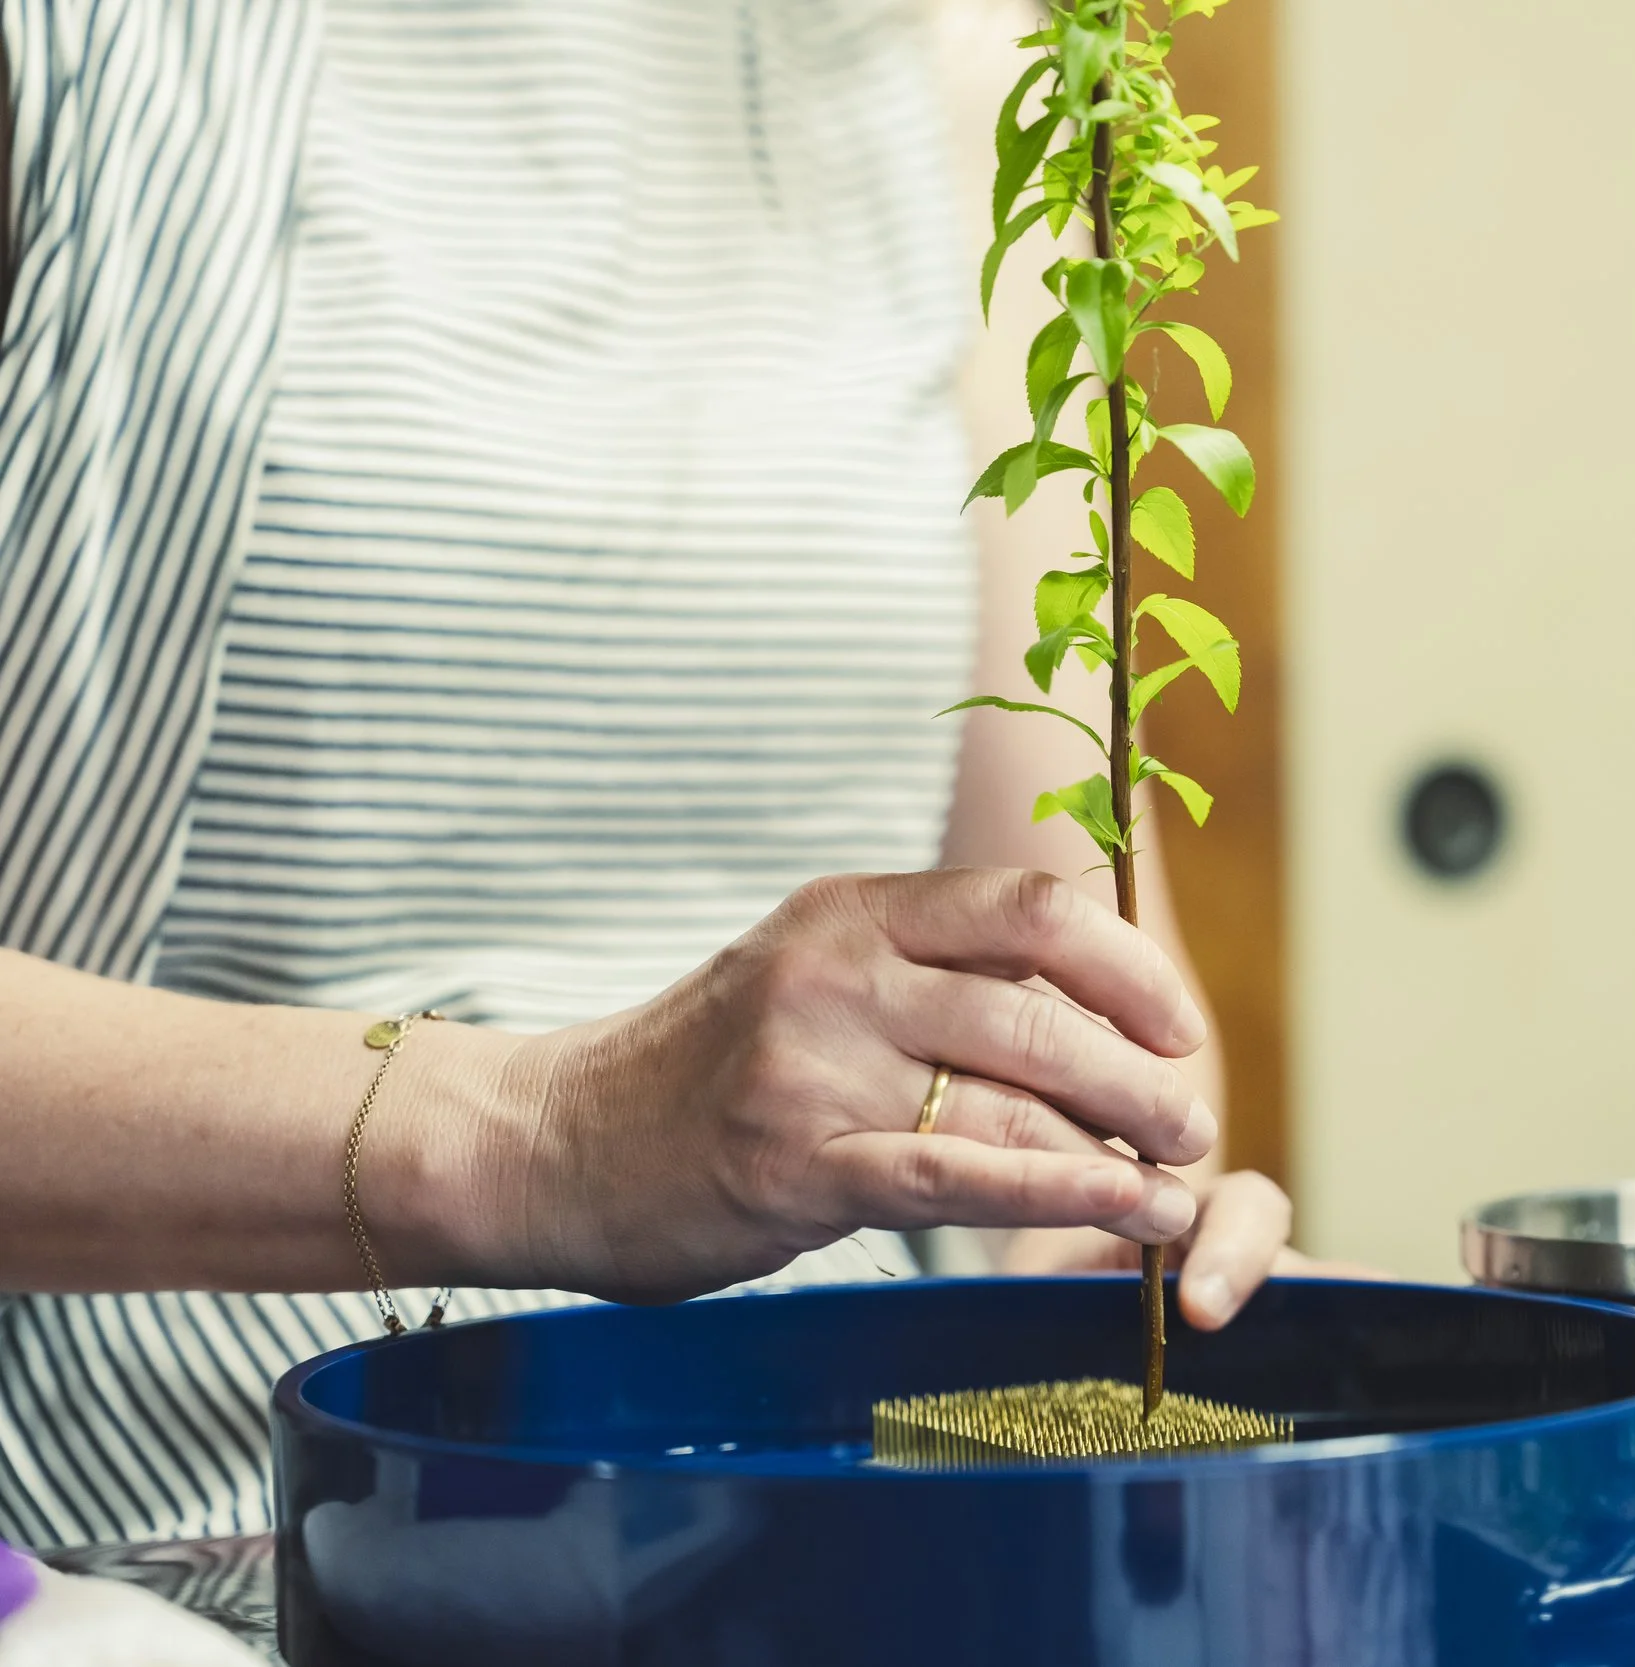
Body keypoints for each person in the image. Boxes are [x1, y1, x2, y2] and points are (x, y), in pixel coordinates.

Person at [0, 0, 1312, 1562]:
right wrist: (544, 1131)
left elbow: (1069, 975)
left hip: (852, 1522)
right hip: (208, 1529)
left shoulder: (955, 56)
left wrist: (1086, 1255)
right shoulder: (88, 48)